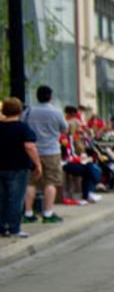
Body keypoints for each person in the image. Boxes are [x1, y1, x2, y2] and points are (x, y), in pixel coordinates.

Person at [22, 85, 69, 224]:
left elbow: (22, 126)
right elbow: (64, 129)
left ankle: (28, 212)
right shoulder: (56, 112)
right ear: (50, 96)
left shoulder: (28, 112)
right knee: (51, 182)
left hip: (32, 150)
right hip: (51, 151)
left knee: (30, 182)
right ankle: (48, 213)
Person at [1, 98, 42, 238]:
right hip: (18, 167)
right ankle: (14, 228)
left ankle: (2, 226)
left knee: (2, 198)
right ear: (19, 111)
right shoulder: (22, 127)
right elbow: (29, 146)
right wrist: (37, 163)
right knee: (16, 198)